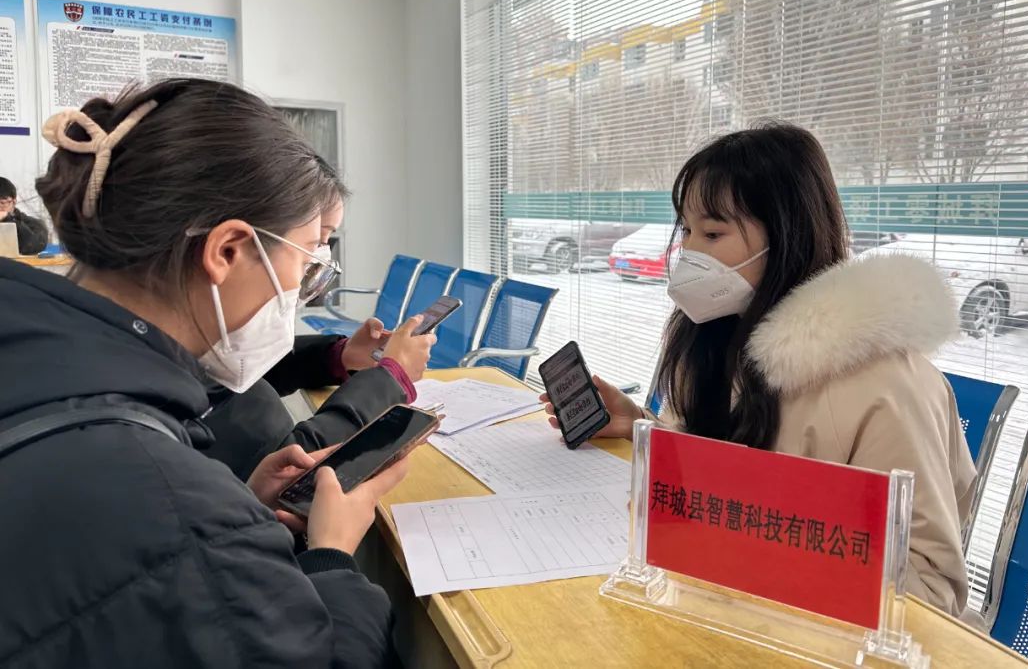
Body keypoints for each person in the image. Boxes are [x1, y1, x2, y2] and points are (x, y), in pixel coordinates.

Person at [0, 78, 420, 667]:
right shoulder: (176, 506)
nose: (301, 289)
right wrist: (330, 555)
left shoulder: (41, 359)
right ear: (227, 251)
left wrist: (238, 509)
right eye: (306, 261)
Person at [542, 122, 976, 618]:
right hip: (702, 607)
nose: (689, 253)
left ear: (788, 235)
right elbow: (721, 473)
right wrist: (642, 425)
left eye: (712, 233)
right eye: (686, 231)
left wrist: (741, 547)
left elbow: (929, 593)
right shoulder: (714, 338)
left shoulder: (888, 384)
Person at [199, 194, 434, 480]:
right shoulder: (186, 388)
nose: (307, 277)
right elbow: (290, 470)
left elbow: (250, 367)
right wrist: (390, 380)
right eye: (310, 249)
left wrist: (336, 357)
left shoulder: (203, 350)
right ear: (227, 250)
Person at [0, 176, 49, 255]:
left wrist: (9, 219)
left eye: (2, 203)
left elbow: (33, 245)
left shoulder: (33, 224)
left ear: (14, 202)